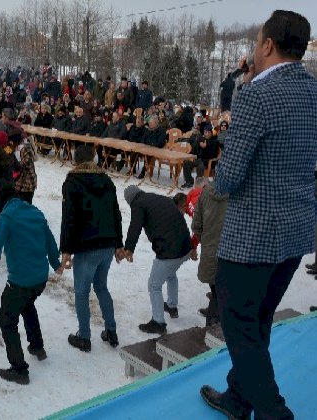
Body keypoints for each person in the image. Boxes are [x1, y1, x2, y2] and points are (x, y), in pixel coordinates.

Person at [200, 11, 317, 420]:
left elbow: (229, 176)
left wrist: (213, 187)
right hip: (297, 232)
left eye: (256, 41)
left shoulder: (255, 95)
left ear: (267, 45)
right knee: (259, 319)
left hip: (253, 236)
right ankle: (237, 398)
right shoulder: (313, 91)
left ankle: (274, 413)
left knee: (238, 326)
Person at [0, 193, 62, 385]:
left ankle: (19, 369)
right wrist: (55, 263)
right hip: (40, 278)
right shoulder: (36, 213)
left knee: (7, 320)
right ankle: (37, 346)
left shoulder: (6, 217)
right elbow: (49, 240)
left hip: (21, 281)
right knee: (26, 304)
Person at [60, 146, 123, 352]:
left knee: (81, 291)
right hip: (107, 243)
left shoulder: (72, 182)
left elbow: (69, 218)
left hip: (87, 246)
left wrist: (66, 249)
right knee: (102, 287)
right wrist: (118, 244)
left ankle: (84, 336)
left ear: (76, 160)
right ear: (94, 159)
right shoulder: (106, 180)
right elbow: (116, 213)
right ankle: (111, 330)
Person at [120, 185, 192, 334]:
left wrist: (129, 249)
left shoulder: (138, 204)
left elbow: (135, 226)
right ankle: (172, 306)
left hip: (170, 251)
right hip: (185, 247)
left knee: (154, 285)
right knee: (171, 273)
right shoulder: (158, 198)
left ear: (130, 200)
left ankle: (158, 322)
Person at [191, 181, 228, 326]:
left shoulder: (205, 192)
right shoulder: (241, 192)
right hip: (233, 251)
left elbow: (196, 224)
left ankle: (214, 314)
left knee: (215, 285)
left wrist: (204, 241)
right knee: (224, 288)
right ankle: (214, 317)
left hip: (210, 247)